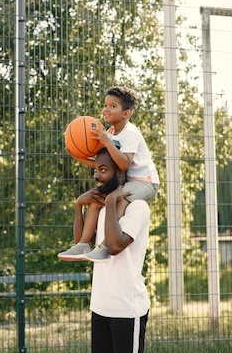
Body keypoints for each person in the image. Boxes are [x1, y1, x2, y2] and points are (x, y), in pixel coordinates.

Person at [74, 147, 151, 353]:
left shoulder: (137, 208)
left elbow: (115, 245)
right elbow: (82, 245)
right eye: (95, 170)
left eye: (103, 170)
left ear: (121, 173)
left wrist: (109, 201)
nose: (96, 174)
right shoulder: (102, 206)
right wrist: (79, 206)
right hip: (101, 306)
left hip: (127, 309)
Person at [59, 86, 159, 262]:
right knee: (96, 200)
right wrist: (76, 155)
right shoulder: (111, 133)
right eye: (105, 105)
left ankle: (104, 246)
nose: (106, 109)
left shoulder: (130, 133)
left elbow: (124, 164)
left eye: (113, 106)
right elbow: (101, 165)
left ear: (126, 113)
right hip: (127, 181)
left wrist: (106, 141)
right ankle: (82, 244)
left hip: (145, 182)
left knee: (119, 198)